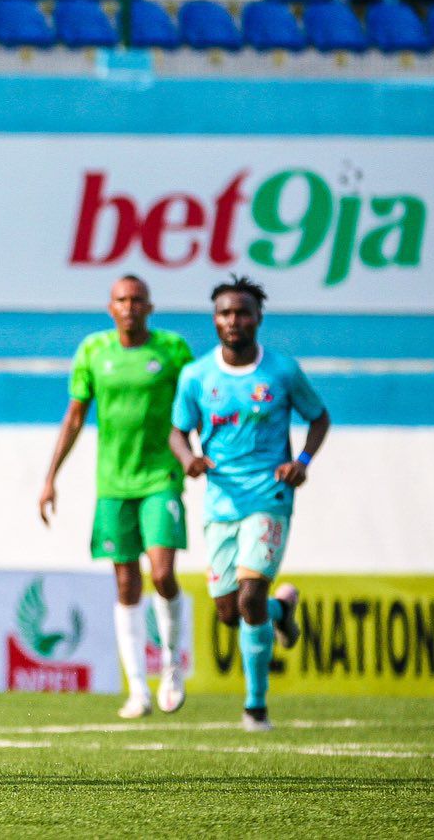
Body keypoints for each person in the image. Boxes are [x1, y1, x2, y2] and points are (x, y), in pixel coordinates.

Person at [170, 276, 330, 732]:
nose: (233, 320)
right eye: (225, 312)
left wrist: (301, 461)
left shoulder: (280, 371)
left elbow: (319, 417)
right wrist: (189, 459)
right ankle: (283, 611)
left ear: (258, 317)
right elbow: (177, 430)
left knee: (249, 596)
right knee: (228, 611)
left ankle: (255, 707)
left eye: (242, 312)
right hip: (221, 501)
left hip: (270, 496)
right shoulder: (197, 375)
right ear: (214, 319)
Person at [39, 277, 194, 719]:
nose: (129, 307)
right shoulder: (93, 351)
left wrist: (197, 456)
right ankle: (138, 690)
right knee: (126, 583)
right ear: (111, 308)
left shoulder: (173, 350)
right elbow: (73, 417)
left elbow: (194, 405)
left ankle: (170, 666)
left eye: (137, 300)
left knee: (162, 574)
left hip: (161, 478)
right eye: (122, 300)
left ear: (150, 307)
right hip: (113, 483)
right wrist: (51, 477)